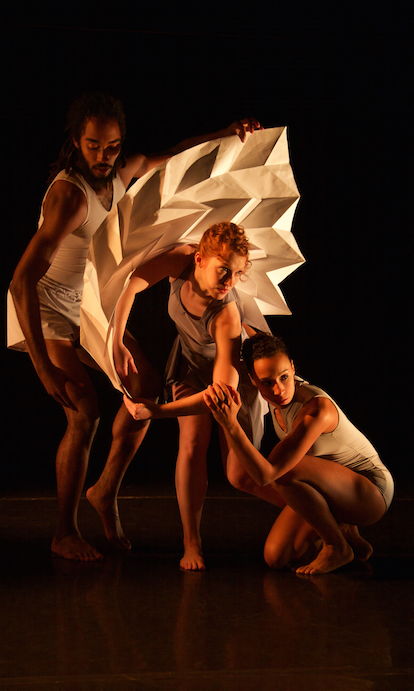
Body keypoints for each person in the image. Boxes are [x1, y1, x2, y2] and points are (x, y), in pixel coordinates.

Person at [8, 90, 262, 561]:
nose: (103, 157)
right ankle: (64, 531)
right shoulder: (68, 197)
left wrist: (228, 136)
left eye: (111, 146)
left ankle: (104, 490)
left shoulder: (122, 170)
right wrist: (43, 367)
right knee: (84, 410)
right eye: (92, 146)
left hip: (89, 301)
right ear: (77, 140)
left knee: (144, 385)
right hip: (47, 304)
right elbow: (21, 280)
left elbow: (181, 152)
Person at [117, 222, 283, 571]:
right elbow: (131, 284)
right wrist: (116, 339)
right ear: (199, 259)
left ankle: (312, 511)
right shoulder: (178, 260)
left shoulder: (226, 315)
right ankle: (191, 541)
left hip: (231, 380)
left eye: (238, 274)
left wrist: (157, 411)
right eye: (224, 270)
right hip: (190, 363)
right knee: (191, 445)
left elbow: (221, 394)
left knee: (241, 476)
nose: (230, 282)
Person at [203, 333, 394, 575]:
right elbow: (252, 332)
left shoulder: (315, 411)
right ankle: (344, 531)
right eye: (267, 382)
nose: (279, 389)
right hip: (332, 489)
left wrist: (231, 425)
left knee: (284, 472)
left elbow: (267, 476)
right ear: (253, 380)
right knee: (276, 556)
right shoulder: (277, 393)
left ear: (293, 368)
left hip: (370, 494)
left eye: (284, 377)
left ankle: (336, 546)